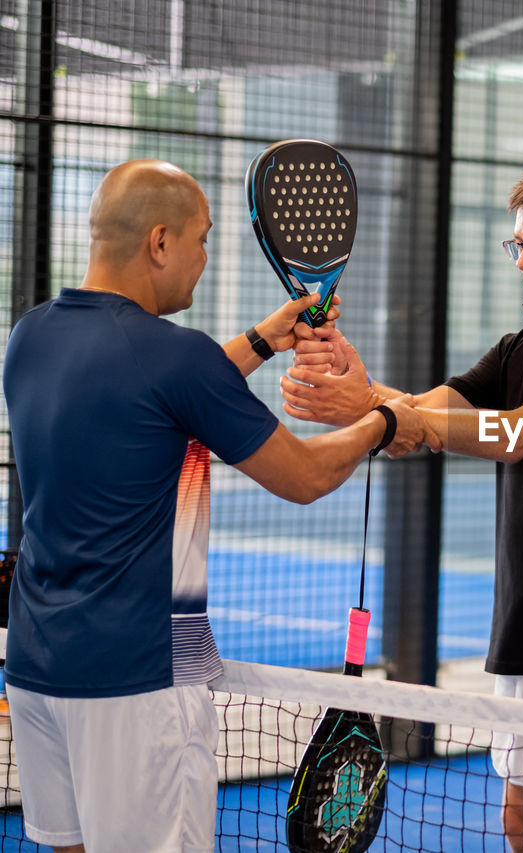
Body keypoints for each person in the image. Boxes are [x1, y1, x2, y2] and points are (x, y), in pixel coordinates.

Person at [1, 159, 429, 853]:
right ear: (160, 241)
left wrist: (264, 338)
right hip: (141, 680)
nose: (205, 259)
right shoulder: (178, 357)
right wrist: (387, 420)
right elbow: (306, 474)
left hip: (36, 672)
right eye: (201, 240)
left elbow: (147, 397)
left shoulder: (32, 336)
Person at [282, 163, 523, 853]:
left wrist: (373, 412)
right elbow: (432, 412)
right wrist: (365, 389)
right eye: (517, 243)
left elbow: (519, 433)